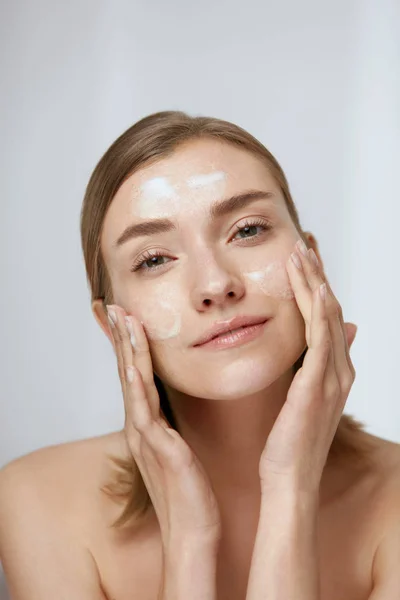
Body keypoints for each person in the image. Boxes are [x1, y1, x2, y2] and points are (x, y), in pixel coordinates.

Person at [1, 111, 400, 600]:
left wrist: (290, 492)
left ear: (313, 262)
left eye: (248, 230)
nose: (216, 285)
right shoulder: (38, 500)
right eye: (154, 259)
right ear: (112, 325)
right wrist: (189, 545)